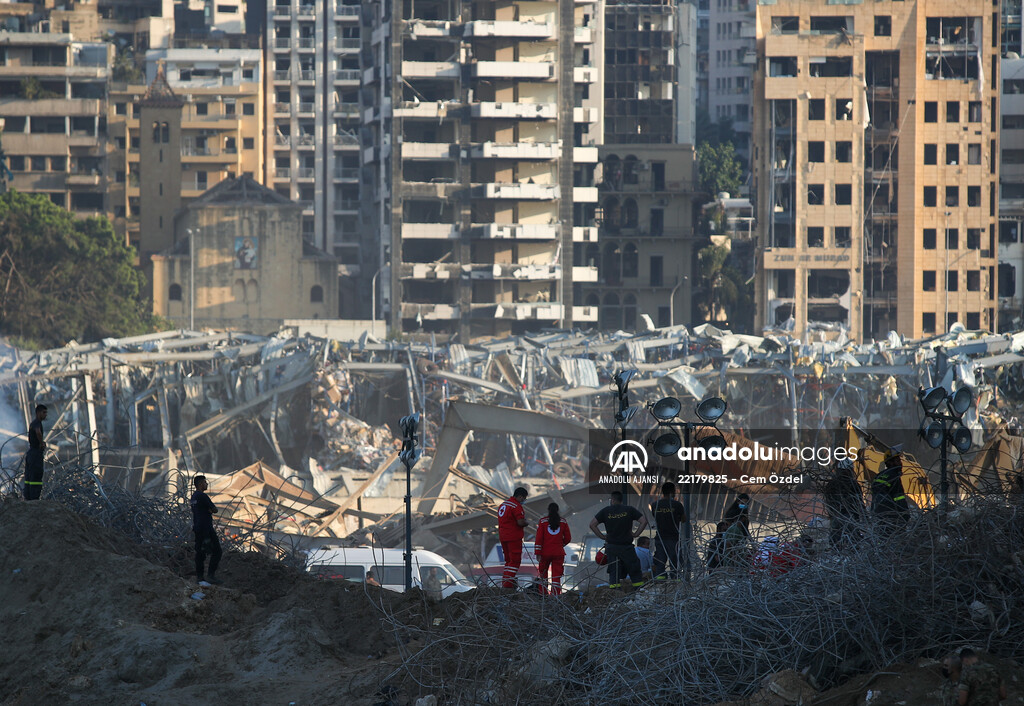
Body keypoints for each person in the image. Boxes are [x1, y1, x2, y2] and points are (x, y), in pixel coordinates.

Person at [589, 491, 648, 586]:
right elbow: (644, 521)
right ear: (621, 500)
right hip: (627, 547)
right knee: (634, 570)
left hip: (612, 548)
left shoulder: (605, 511)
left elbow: (592, 524)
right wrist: (636, 534)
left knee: (614, 572)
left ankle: (615, 592)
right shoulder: (629, 510)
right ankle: (639, 590)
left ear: (612, 500)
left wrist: (602, 537)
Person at [824, 459, 865, 548]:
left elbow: (828, 502)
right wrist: (865, 518)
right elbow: (859, 503)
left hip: (836, 517)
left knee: (835, 542)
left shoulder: (831, 484)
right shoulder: (853, 484)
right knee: (853, 542)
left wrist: (831, 515)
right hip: (851, 517)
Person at [190, 475, 223, 585]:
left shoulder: (194, 497)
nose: (206, 484)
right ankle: (211, 576)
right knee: (217, 551)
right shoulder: (202, 496)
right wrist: (210, 510)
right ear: (200, 484)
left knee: (200, 553)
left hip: (198, 528)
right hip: (206, 528)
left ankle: (200, 577)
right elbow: (215, 509)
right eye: (205, 482)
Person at [650, 481, 686, 579]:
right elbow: (683, 519)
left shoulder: (655, 505)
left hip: (660, 538)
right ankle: (675, 582)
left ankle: (660, 582)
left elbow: (655, 517)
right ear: (672, 491)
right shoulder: (677, 505)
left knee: (660, 562)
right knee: (675, 562)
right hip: (673, 538)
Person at [534, 502, 571, 595]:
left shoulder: (542, 521)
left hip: (545, 553)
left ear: (548, 510)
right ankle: (555, 595)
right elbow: (568, 538)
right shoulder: (563, 522)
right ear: (558, 510)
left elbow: (539, 538)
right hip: (558, 552)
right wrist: (561, 545)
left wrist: (538, 552)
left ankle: (543, 594)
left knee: (543, 575)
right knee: (556, 576)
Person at [498, 487, 529, 588]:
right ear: (520, 496)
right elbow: (520, 522)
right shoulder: (516, 506)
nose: (524, 500)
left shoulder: (503, 505)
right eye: (524, 498)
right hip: (513, 537)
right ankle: (507, 585)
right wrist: (527, 522)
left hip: (503, 536)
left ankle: (505, 582)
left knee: (508, 561)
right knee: (515, 561)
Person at [871, 451, 909, 532]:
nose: (900, 463)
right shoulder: (894, 477)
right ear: (890, 462)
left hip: (878, 517)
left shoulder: (879, 475)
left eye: (900, 460)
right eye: (897, 461)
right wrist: (905, 515)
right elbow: (899, 498)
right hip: (892, 518)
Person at [23, 404, 47, 501]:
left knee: (29, 476)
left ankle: (28, 497)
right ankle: (34, 498)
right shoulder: (37, 423)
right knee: (36, 475)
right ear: (38, 413)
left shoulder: (33, 423)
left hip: (31, 453)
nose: (45, 415)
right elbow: (38, 432)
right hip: (36, 453)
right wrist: (41, 443)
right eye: (44, 412)